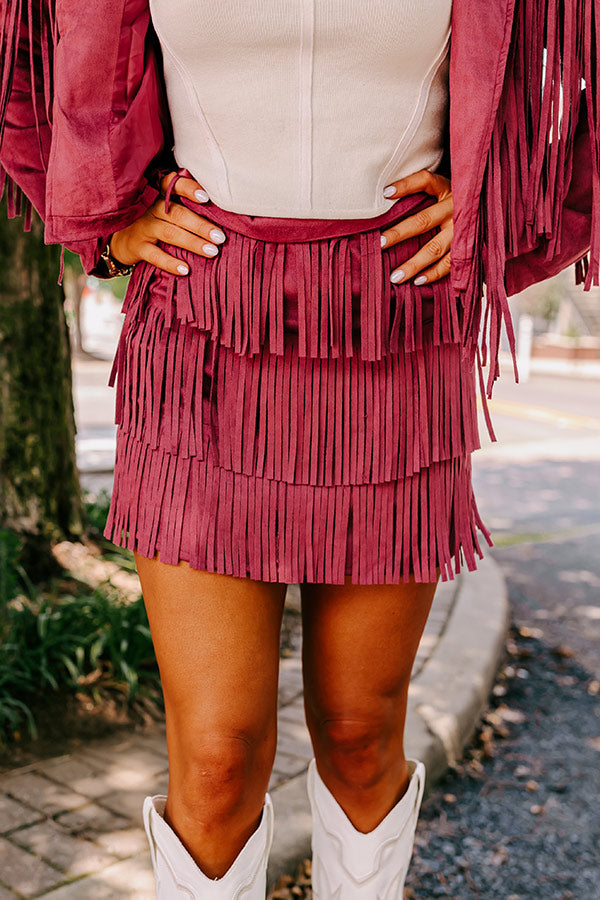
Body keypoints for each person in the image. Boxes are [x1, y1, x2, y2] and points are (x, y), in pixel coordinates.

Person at [1, 1, 597, 897]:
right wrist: (100, 217)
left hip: (395, 334)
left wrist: (499, 204)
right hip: (201, 338)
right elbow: (26, 64)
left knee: (361, 736)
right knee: (215, 756)